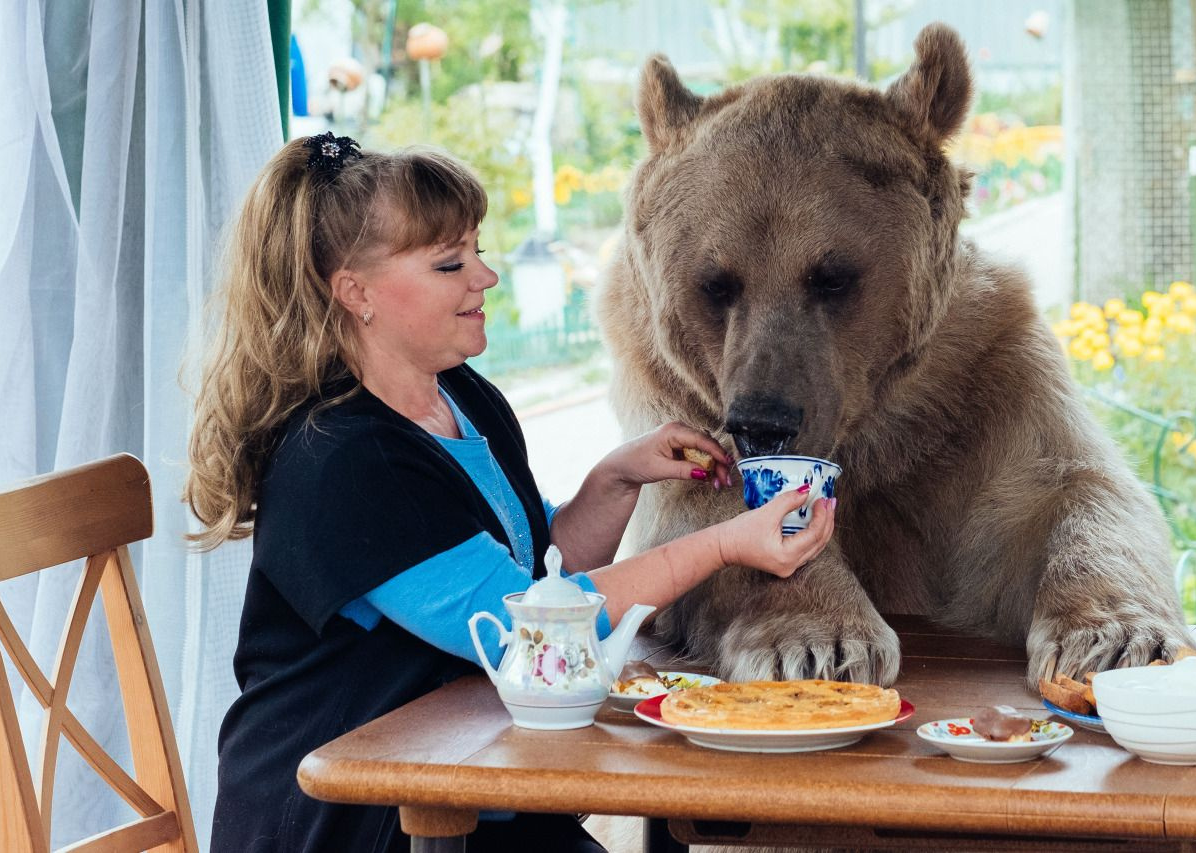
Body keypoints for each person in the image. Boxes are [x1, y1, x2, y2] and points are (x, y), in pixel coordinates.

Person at [184, 132, 837, 853]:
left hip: (460, 774)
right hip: (356, 816)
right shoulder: (343, 462)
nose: (486, 277)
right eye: (450, 262)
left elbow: (537, 568)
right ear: (356, 292)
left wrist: (617, 478)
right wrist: (723, 544)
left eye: (477, 250)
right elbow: (531, 631)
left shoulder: (460, 396)